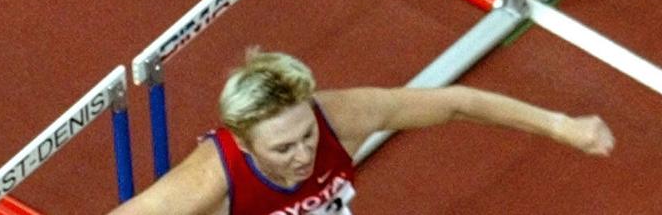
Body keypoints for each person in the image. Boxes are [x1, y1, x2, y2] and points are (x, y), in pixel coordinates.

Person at [103, 49, 615, 214]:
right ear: (243, 142)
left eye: (306, 135)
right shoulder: (209, 180)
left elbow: (456, 104)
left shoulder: (340, 116)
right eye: (282, 148)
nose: (304, 154)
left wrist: (560, 125)